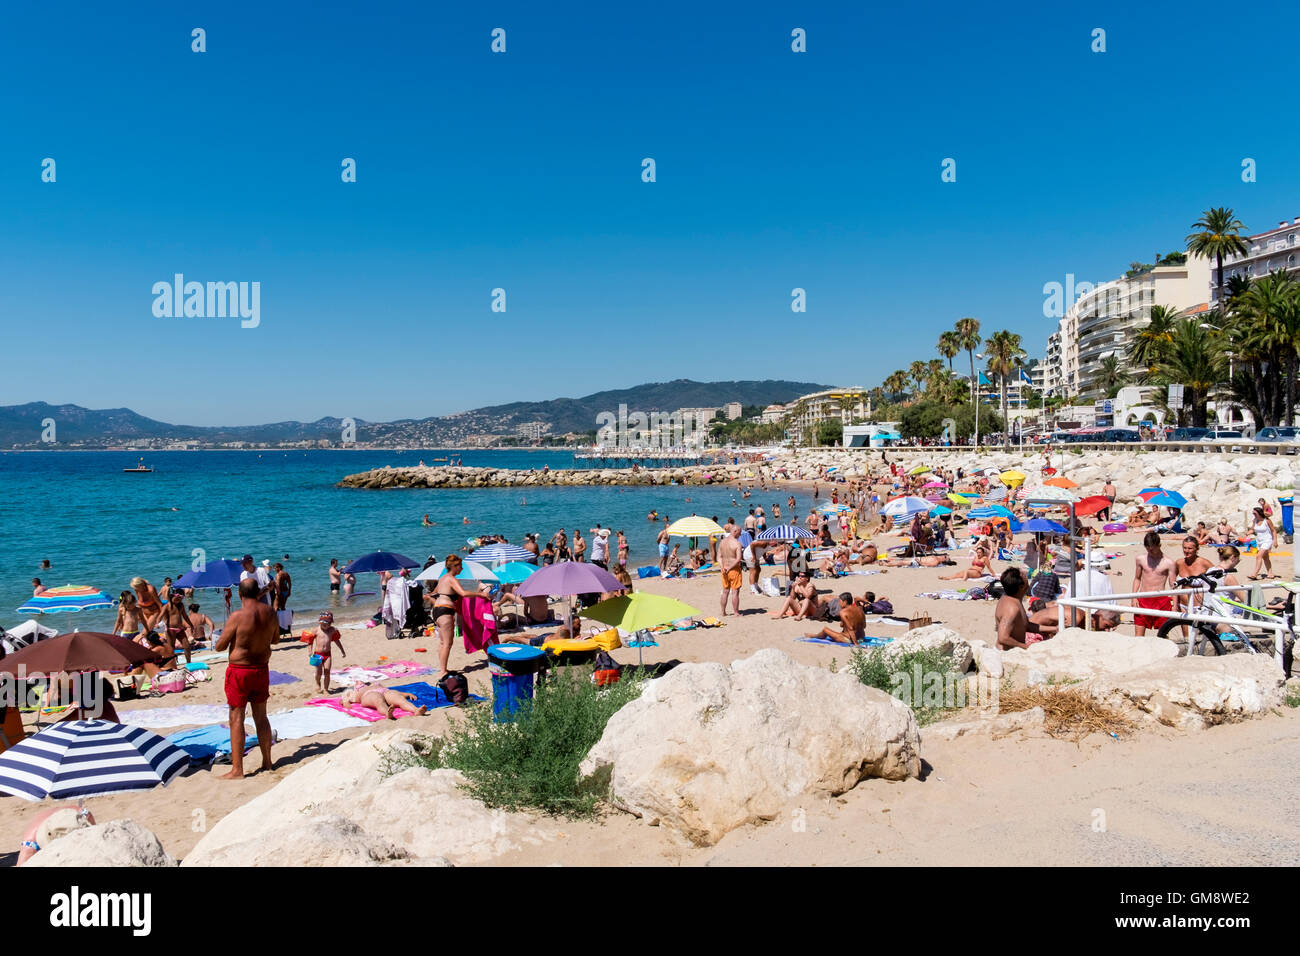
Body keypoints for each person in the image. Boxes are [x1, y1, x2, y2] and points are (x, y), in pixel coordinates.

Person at [215, 578, 278, 780]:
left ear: (241, 595)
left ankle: (237, 770)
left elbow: (220, 646)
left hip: (240, 670)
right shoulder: (270, 612)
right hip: (261, 669)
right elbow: (275, 639)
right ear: (258, 592)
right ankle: (267, 762)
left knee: (236, 718)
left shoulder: (238, 615)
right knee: (261, 716)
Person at [430, 555, 478, 681]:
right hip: (445, 611)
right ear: (454, 566)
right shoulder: (451, 579)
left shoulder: (442, 578)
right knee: (447, 643)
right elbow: (464, 593)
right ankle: (442, 671)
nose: (461, 569)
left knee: (442, 642)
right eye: (460, 566)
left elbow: (434, 593)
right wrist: (481, 594)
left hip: (436, 610)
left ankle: (442, 668)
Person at [1131, 530, 1177, 637]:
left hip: (1160, 600)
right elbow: (1137, 578)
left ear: (1159, 545)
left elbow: (1173, 585)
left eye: (1153, 549)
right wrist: (1133, 597)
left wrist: (1174, 605)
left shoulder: (1169, 562)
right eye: (1148, 549)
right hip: (1143, 598)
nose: (1150, 552)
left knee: (1163, 635)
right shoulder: (1140, 559)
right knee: (1138, 636)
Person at [995, 567, 1043, 650]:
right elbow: (1003, 638)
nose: (1026, 576)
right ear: (1021, 587)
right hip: (1005, 654)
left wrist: (1054, 628)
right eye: (1024, 576)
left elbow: (1026, 625)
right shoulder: (1012, 608)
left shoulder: (1014, 599)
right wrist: (1025, 646)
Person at [342, 684, 427, 719]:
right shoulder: (353, 690)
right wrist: (346, 704)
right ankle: (387, 713)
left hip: (385, 691)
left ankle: (416, 710)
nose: (358, 681)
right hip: (368, 694)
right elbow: (344, 700)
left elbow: (397, 692)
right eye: (356, 682)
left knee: (400, 699)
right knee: (378, 701)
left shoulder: (373, 684)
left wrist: (406, 694)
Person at [310, 611, 346, 692]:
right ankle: (317, 683)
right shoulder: (316, 630)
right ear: (320, 622)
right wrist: (310, 651)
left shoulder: (332, 630)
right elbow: (310, 641)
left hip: (327, 655)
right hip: (317, 654)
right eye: (324, 624)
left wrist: (342, 651)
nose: (327, 626)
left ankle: (326, 689)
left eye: (328, 624)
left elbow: (337, 641)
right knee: (318, 673)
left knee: (327, 672)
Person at [156, 589, 194, 664]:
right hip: (170, 629)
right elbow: (160, 616)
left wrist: (191, 625)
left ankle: (189, 663)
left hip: (180, 629)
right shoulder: (167, 606)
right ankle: (172, 664)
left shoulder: (181, 605)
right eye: (177, 599)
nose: (178, 601)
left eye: (180, 599)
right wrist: (157, 623)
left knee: (187, 646)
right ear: (172, 596)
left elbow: (185, 616)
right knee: (171, 648)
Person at [718, 526, 743, 617]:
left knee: (725, 591)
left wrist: (722, 567)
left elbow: (719, 557)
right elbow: (738, 559)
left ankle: (723, 612)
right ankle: (736, 612)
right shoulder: (737, 543)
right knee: (735, 592)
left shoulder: (722, 542)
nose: (740, 534)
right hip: (734, 569)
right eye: (739, 532)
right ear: (735, 531)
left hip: (724, 570)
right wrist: (729, 568)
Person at [1248, 506, 1276, 580]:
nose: (1253, 514)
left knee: (1258, 556)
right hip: (1259, 541)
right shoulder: (1255, 520)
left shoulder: (1267, 521)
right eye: (1253, 513)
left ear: (1259, 513)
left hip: (1267, 540)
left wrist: (1275, 541)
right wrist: (1249, 532)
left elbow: (1273, 530)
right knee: (1265, 558)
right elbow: (1252, 529)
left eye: (1254, 513)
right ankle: (1270, 574)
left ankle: (1254, 574)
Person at [273, 562, 292, 635]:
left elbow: (277, 585)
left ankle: (278, 625)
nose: (274, 569)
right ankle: (285, 625)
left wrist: (277, 593)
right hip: (286, 591)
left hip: (280, 592)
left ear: (278, 567)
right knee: (283, 607)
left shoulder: (278, 575)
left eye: (275, 568)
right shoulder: (286, 573)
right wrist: (289, 591)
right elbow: (289, 583)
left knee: (275, 608)